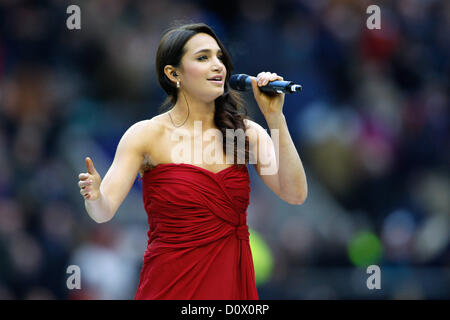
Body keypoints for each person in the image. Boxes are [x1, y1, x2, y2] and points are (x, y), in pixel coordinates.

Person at [77, 22, 307, 300]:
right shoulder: (147, 135)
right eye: (203, 58)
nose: (218, 65)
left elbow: (295, 193)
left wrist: (275, 117)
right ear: (174, 73)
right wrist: (94, 196)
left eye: (220, 57)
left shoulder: (239, 135)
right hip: (169, 287)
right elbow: (104, 212)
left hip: (232, 288)